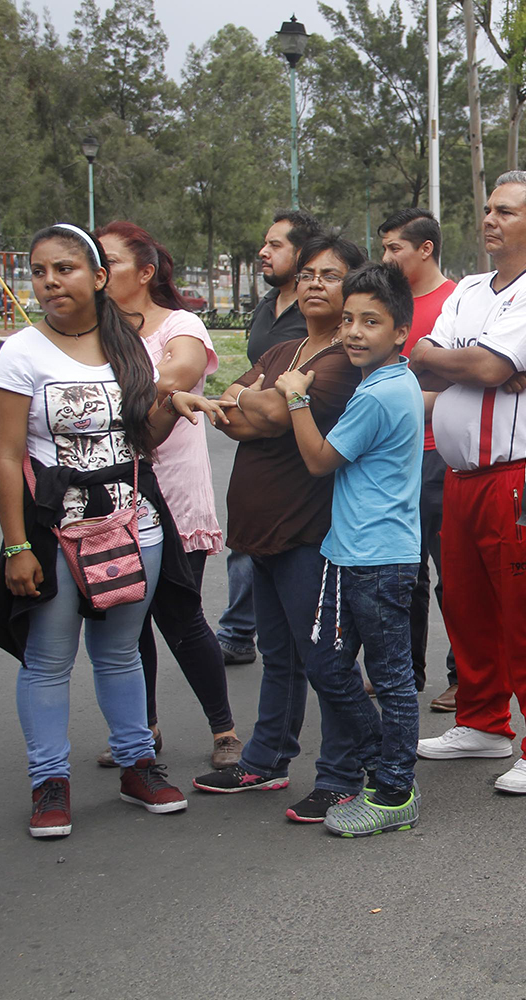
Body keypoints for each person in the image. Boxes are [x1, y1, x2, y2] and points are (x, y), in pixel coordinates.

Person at [0, 223, 226, 837]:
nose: (49, 282)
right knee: (48, 659)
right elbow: (7, 459)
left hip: (134, 523)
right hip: (55, 532)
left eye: (64, 269)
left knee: (119, 652)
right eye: (39, 271)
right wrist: (16, 546)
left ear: (96, 278)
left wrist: (175, 404)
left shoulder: (128, 349)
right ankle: (49, 782)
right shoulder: (21, 353)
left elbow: (141, 437)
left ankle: (137, 764)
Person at [408, 171, 526, 795]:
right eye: (486, 208)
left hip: (514, 476)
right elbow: (422, 353)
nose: (488, 219)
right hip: (459, 476)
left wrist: (472, 363)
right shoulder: (471, 288)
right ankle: (482, 723)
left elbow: (482, 362)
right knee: (467, 607)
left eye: (504, 211)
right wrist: (467, 363)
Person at [191, 233, 370, 824]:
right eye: (310, 273)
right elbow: (228, 411)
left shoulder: (346, 359)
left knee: (326, 659)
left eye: (331, 275)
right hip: (257, 531)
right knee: (278, 655)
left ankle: (344, 775)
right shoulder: (283, 351)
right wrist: (254, 402)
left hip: (309, 533)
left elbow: (263, 413)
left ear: (354, 290)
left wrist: (257, 404)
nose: (315, 283)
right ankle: (266, 759)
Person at [275, 263, 425, 836]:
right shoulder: (389, 382)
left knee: (389, 678)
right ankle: (386, 765)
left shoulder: (381, 393)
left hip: (378, 561)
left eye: (371, 321)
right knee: (330, 667)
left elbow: (317, 460)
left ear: (400, 332)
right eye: (348, 321)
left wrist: (294, 398)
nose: (354, 332)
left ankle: (392, 794)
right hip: (353, 555)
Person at [94, 221, 241, 771]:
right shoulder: (95, 331)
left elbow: (174, 375)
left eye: (109, 261)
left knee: (179, 616)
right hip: (111, 494)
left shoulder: (181, 325)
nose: (99, 272)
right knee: (126, 621)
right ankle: (144, 729)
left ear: (146, 271)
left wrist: (90, 398)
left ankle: (223, 728)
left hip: (173, 492)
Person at [216, 209, 321, 667]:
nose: (263, 251)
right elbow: (230, 399)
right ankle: (240, 631)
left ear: (302, 256)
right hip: (255, 452)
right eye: (265, 242)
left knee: (299, 577)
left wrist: (253, 401)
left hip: (299, 462)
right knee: (247, 547)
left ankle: (337, 663)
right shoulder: (266, 308)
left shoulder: (316, 313)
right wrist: (251, 403)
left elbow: (282, 411)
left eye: (275, 245)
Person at [379, 208, 460, 712]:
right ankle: (405, 672)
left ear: (425, 248)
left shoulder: (457, 303)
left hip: (441, 455)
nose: (386, 257)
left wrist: (405, 394)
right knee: (401, 575)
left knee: (453, 575)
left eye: (394, 248)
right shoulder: (387, 303)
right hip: (392, 459)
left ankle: (464, 677)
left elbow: (466, 378)